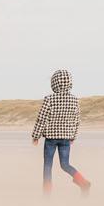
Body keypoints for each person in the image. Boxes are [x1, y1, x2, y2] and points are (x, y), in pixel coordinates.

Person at [30, 68, 90, 196]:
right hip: (66, 138)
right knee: (65, 164)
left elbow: (41, 119)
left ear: (54, 83)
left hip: (51, 139)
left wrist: (36, 136)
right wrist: (73, 136)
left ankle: (47, 194)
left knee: (47, 166)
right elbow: (76, 120)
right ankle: (83, 182)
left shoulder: (49, 99)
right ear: (69, 83)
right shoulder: (74, 100)